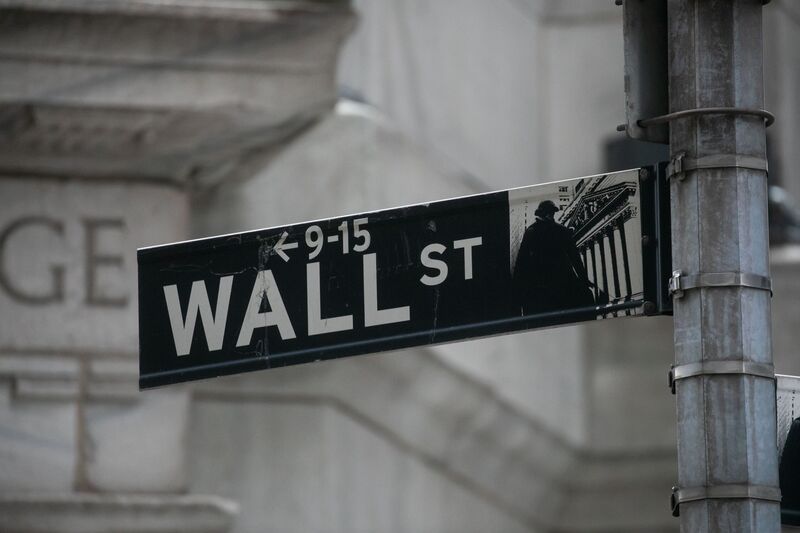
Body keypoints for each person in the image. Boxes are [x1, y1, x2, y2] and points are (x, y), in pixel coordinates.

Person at [512, 200, 594, 315]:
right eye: (548, 212)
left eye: (552, 212)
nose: (551, 215)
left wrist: (584, 279)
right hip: (553, 283)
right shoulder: (559, 230)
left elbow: (521, 262)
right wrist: (584, 279)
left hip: (546, 284)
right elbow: (522, 262)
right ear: (542, 213)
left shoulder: (533, 231)